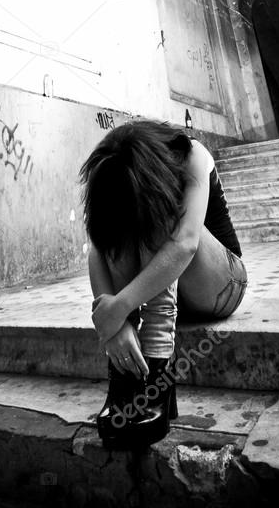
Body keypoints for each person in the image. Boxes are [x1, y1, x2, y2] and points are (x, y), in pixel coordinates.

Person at [78, 117, 247, 450]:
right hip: (169, 289)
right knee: (117, 223)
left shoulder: (192, 155)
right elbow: (100, 245)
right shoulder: (116, 167)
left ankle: (158, 363)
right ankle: (125, 380)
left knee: (158, 211)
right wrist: (116, 324)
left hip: (220, 284)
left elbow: (185, 243)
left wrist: (123, 305)